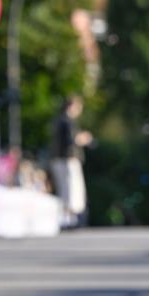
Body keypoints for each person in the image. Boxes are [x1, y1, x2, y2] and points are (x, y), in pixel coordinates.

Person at [50, 95, 92, 228]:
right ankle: (70, 219)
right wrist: (84, 138)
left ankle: (65, 218)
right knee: (71, 189)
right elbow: (71, 140)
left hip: (57, 159)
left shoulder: (58, 121)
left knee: (64, 189)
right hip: (68, 159)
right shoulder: (68, 122)